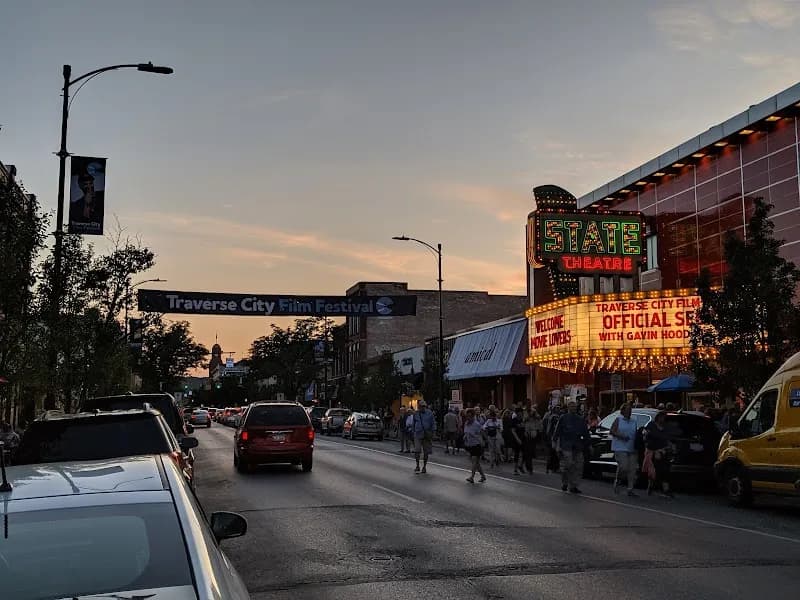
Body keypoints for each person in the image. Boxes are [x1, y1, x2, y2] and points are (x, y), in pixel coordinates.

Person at [553, 400, 589, 493]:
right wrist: (555, 442)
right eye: (571, 407)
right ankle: (565, 482)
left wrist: (588, 444)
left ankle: (574, 485)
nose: (573, 408)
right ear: (568, 408)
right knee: (568, 465)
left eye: (574, 407)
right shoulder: (563, 418)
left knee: (578, 466)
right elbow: (557, 431)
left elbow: (585, 433)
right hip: (566, 445)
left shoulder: (580, 419)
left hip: (577, 446)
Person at [610, 403, 639, 497]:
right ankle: (618, 480)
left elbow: (635, 434)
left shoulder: (634, 421)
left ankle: (630, 489)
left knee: (632, 469)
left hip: (631, 448)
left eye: (630, 410)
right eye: (627, 410)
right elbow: (612, 431)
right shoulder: (618, 420)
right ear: (623, 411)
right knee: (624, 466)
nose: (629, 412)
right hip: (620, 447)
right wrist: (621, 436)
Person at [643, 410, 674, 498]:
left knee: (665, 470)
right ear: (657, 417)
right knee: (653, 472)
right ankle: (651, 485)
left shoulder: (666, 427)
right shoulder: (651, 425)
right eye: (661, 416)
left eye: (664, 417)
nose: (662, 418)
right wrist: (652, 448)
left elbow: (668, 438)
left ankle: (666, 489)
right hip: (652, 451)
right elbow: (645, 437)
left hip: (664, 451)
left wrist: (670, 446)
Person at [462, 408, 486, 484]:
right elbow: (466, 432)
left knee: (474, 461)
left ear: (473, 416)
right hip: (469, 445)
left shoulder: (476, 424)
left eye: (470, 416)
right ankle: (483, 476)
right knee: (476, 463)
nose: (468, 418)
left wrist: (484, 441)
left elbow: (482, 432)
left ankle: (472, 477)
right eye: (467, 416)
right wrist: (465, 437)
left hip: (477, 444)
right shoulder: (466, 423)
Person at [412, 400, 436, 474]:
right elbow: (414, 423)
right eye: (421, 406)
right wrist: (413, 432)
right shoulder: (416, 413)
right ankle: (417, 465)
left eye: (423, 406)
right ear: (419, 406)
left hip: (426, 434)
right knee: (417, 450)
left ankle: (424, 466)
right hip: (418, 434)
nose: (422, 408)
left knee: (426, 452)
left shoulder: (429, 413)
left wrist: (433, 433)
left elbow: (433, 423)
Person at [522, 408, 541, 474]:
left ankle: (523, 464)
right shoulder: (524, 412)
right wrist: (528, 416)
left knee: (531, 451)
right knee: (528, 452)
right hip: (527, 434)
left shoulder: (534, 413)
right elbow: (523, 420)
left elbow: (539, 418)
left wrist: (534, 414)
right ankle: (529, 468)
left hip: (533, 435)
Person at [544, 405, 562, 474]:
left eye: (558, 408)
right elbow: (552, 428)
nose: (558, 410)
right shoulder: (554, 417)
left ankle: (550, 468)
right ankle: (553, 468)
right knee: (554, 453)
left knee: (553, 453)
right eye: (557, 408)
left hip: (553, 437)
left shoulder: (551, 416)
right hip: (553, 437)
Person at [510, 405, 526, 475]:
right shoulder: (514, 420)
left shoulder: (524, 420)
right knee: (517, 454)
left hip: (524, 438)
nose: (521, 413)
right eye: (519, 412)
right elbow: (513, 431)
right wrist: (517, 439)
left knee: (525, 453)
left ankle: (521, 465)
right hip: (516, 439)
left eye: (521, 412)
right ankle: (515, 469)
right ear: (517, 413)